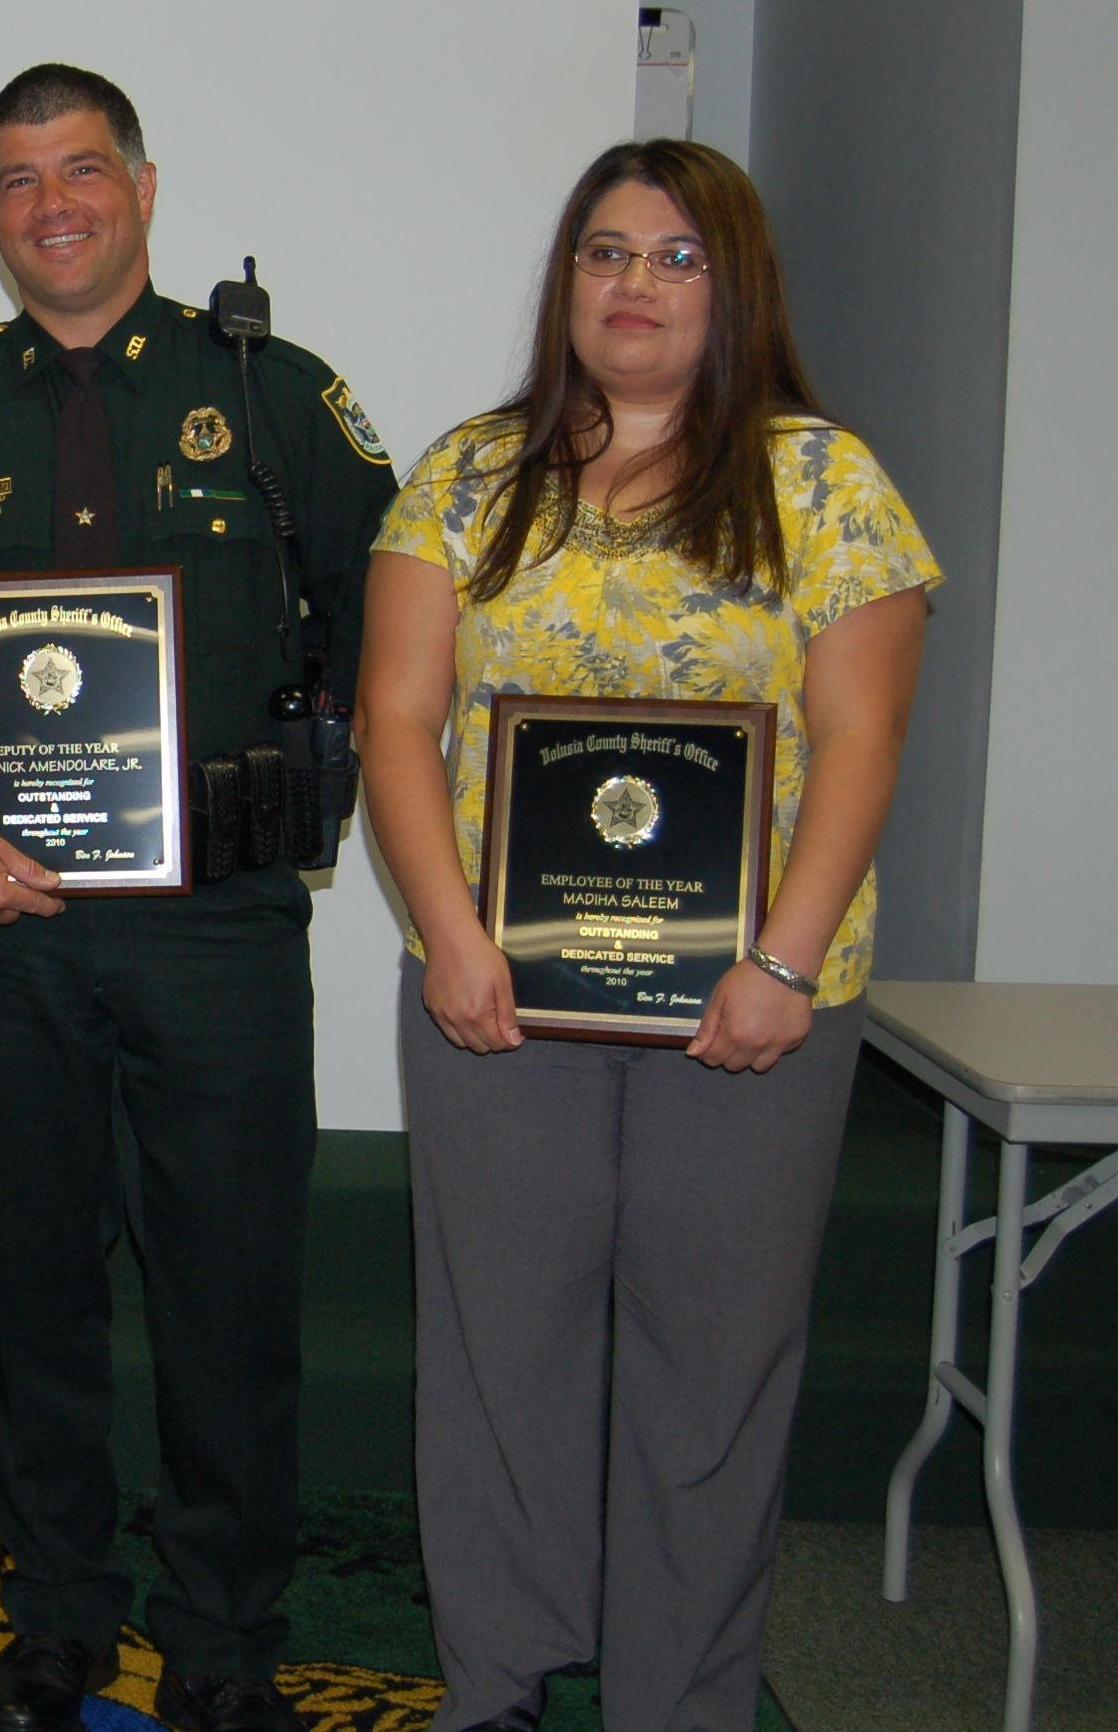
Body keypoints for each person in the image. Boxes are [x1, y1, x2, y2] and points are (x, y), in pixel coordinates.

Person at [0, 65, 399, 1732]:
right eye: (15, 178)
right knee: (35, 1286)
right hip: (7, 931)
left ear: (144, 184)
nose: (50, 202)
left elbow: (391, 616)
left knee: (232, 1297)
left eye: (81, 169)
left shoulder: (273, 396)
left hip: (217, 924)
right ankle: (54, 1614)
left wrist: (328, 779)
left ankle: (222, 1641)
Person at [353, 139, 933, 1732]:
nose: (634, 286)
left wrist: (787, 964)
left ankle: (684, 1697)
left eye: (676, 258)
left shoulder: (826, 482)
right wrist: (448, 934)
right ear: (567, 282)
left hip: (753, 1008)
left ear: (733, 286)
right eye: (605, 252)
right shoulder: (472, 474)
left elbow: (864, 741)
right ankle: (500, 1683)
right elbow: (395, 719)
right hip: (496, 999)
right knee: (498, 1354)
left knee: (715, 1363)